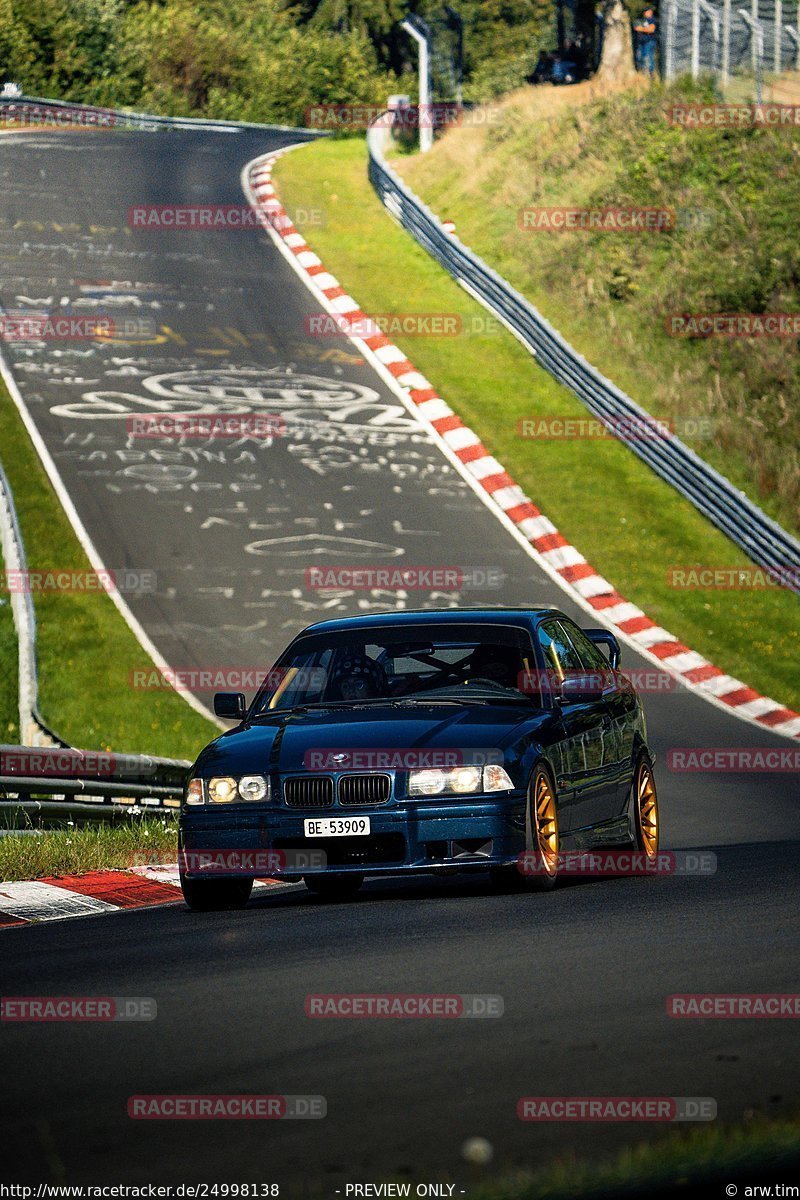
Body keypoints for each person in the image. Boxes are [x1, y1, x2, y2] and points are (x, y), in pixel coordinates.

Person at [634, 8, 658, 75]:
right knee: (640, 57)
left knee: (648, 57)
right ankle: (642, 72)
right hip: (642, 42)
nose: (645, 13)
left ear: (650, 12)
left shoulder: (652, 20)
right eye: (644, 12)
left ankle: (650, 73)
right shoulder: (642, 20)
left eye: (646, 12)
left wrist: (641, 29)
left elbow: (651, 29)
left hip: (649, 41)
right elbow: (636, 27)